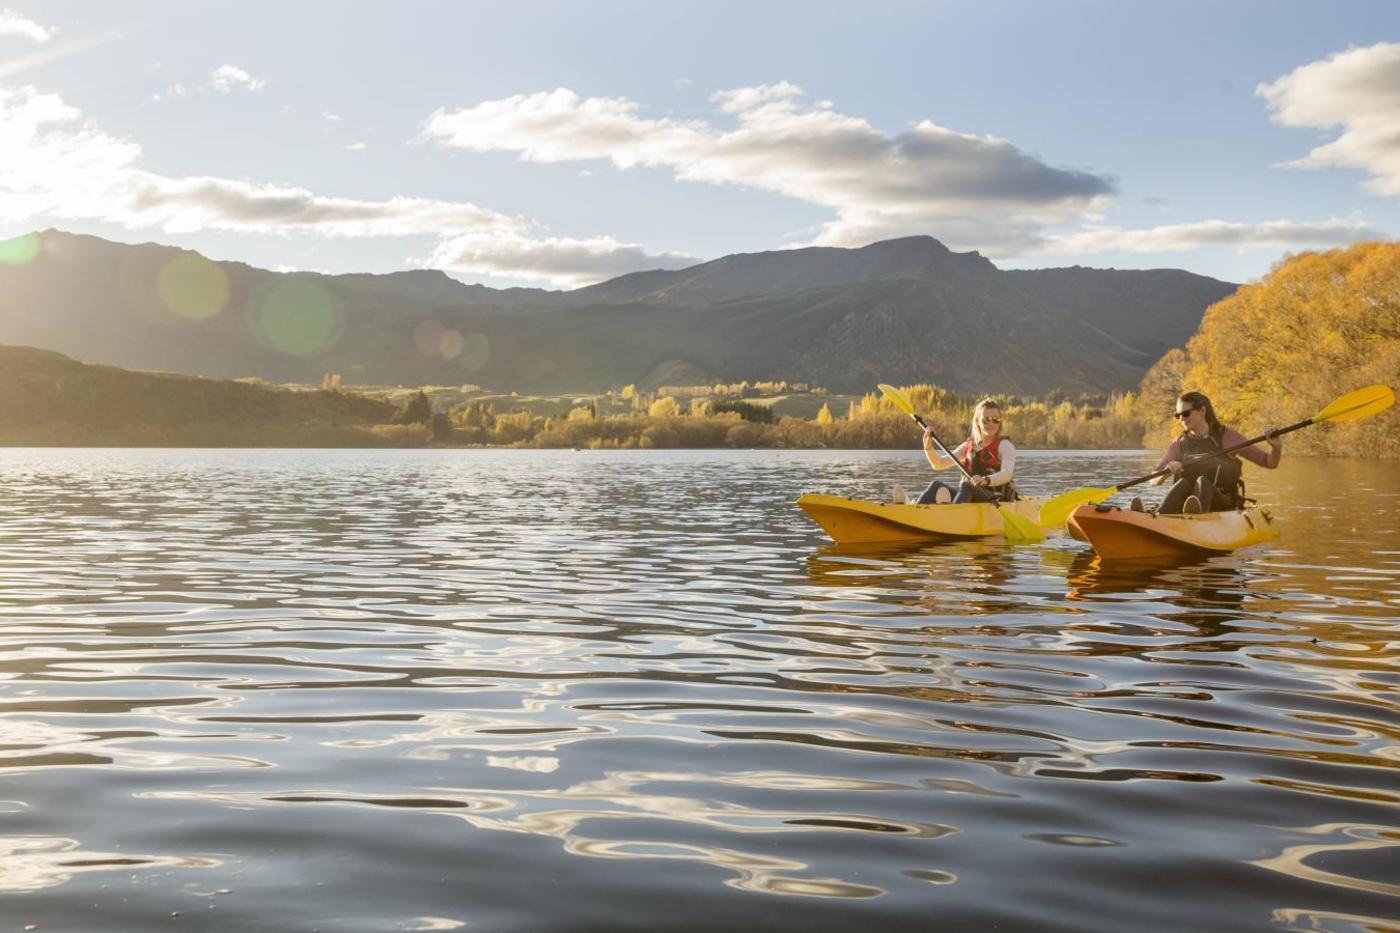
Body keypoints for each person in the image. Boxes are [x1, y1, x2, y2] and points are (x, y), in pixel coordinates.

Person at [1141, 391, 1282, 514]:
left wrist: (1276, 448)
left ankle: (1195, 517)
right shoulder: (1179, 443)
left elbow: (1269, 462)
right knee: (1182, 484)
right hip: (1187, 505)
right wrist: (1166, 472)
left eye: (1186, 413)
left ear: (1202, 411)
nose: (1181, 418)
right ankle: (1159, 515)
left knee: (1203, 482)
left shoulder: (1228, 437)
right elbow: (1154, 481)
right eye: (1177, 415)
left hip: (1223, 503)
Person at [895, 398, 1019, 505]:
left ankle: (951, 513)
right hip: (969, 497)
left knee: (967, 484)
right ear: (977, 421)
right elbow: (938, 464)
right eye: (986, 419)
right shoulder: (967, 446)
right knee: (936, 485)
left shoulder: (1005, 445)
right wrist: (928, 447)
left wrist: (985, 480)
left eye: (996, 419)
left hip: (994, 499)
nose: (991, 423)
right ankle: (916, 510)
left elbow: (1006, 474)